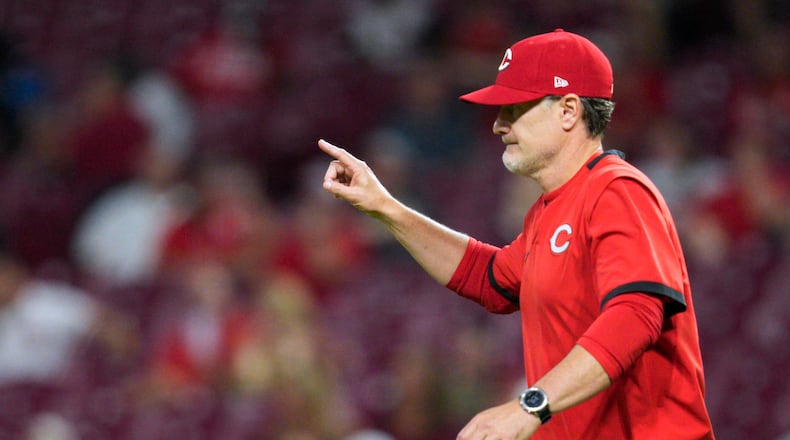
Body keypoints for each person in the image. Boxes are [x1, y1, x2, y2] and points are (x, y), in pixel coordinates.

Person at [318, 29, 715, 439]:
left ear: (568, 111)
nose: (498, 125)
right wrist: (385, 206)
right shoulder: (550, 209)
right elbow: (487, 277)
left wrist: (532, 404)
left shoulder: (618, 191)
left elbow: (637, 314)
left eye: (514, 108)